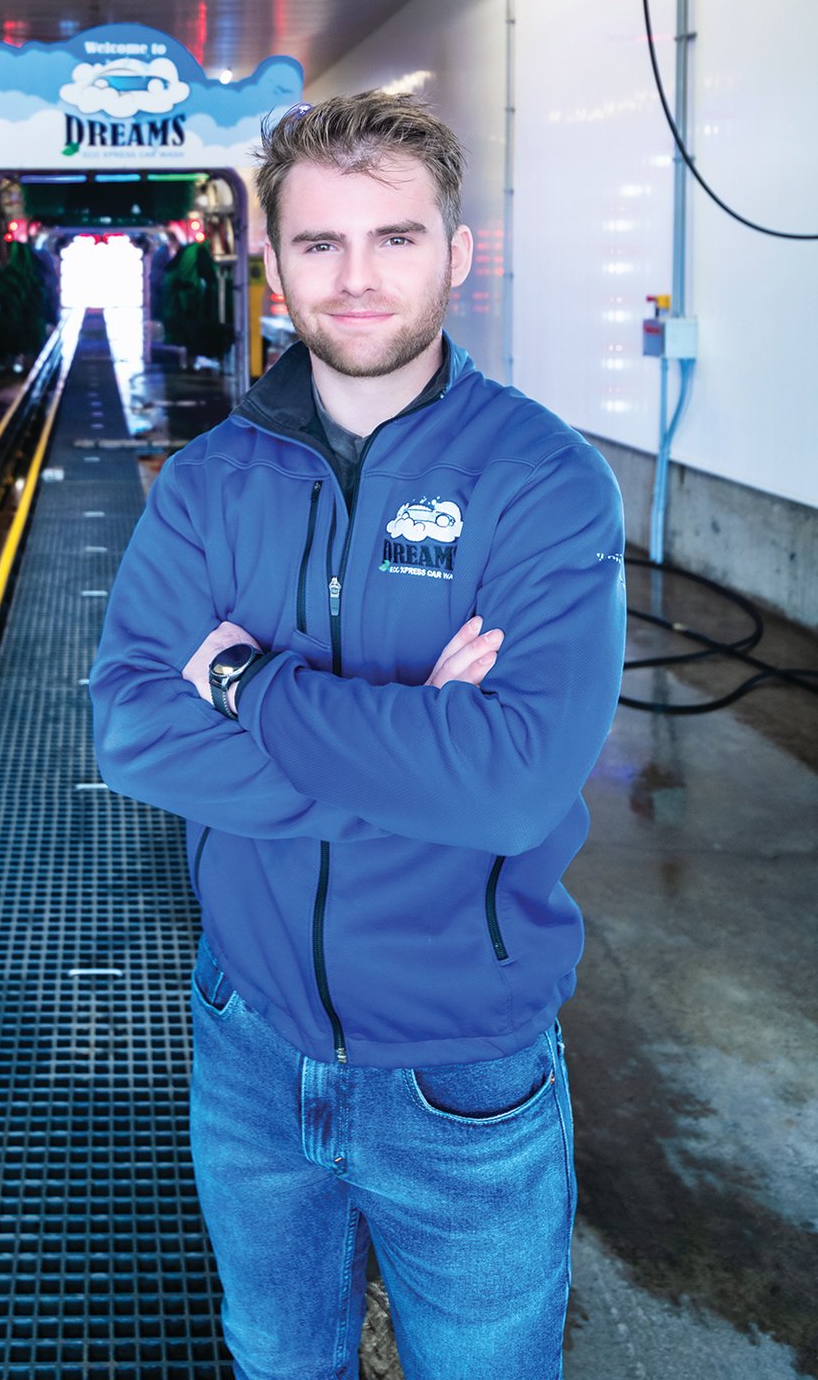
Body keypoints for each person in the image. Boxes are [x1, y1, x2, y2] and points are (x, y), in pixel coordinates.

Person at [88, 90, 626, 1380]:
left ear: (459, 251)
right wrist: (409, 751)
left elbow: (508, 791)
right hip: (250, 1036)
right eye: (320, 244)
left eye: (396, 237)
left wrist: (251, 688)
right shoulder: (215, 479)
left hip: (466, 1064)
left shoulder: (543, 482)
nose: (359, 278)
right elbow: (130, 732)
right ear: (269, 263)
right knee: (278, 1356)